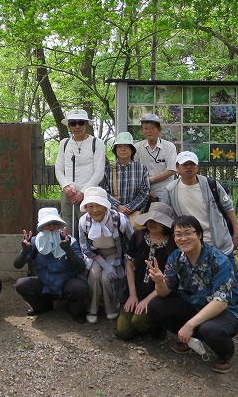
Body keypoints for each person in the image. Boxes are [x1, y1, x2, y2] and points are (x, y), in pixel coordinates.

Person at [161, 151, 238, 328]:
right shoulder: (170, 190)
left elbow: (228, 208)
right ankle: (209, 311)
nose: (189, 167)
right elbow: (168, 215)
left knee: (233, 276)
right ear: (177, 168)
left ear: (198, 166)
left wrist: (235, 234)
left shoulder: (211, 184)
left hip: (218, 239)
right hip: (190, 241)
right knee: (197, 279)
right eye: (184, 164)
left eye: (192, 164)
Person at [147, 216, 238, 374]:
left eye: (188, 233)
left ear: (199, 234)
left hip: (228, 310)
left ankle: (225, 354)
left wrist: (189, 325)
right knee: (155, 305)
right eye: (178, 234)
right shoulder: (176, 257)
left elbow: (220, 303)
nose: (183, 238)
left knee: (210, 330)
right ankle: (190, 340)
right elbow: (164, 292)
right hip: (196, 304)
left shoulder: (218, 260)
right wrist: (159, 281)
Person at [13, 207, 88, 323]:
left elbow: (82, 267)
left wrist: (68, 250)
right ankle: (43, 306)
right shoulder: (34, 242)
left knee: (80, 287)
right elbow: (17, 265)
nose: (52, 228)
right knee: (21, 284)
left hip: (66, 285)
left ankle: (73, 308)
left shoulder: (70, 241)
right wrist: (25, 251)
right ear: (41, 227)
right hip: (44, 285)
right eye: (47, 224)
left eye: (55, 224)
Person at [115, 202, 176, 340]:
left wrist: (147, 300)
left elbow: (170, 279)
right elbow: (130, 266)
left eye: (157, 221)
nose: (152, 223)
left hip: (158, 294)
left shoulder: (173, 244)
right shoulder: (138, 236)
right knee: (122, 331)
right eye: (150, 220)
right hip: (136, 289)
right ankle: (143, 324)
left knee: (139, 321)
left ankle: (156, 325)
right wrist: (132, 295)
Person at [78, 187, 134, 323]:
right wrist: (102, 263)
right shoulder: (84, 222)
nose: (95, 210)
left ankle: (112, 307)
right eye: (90, 206)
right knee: (94, 274)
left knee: (106, 278)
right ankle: (92, 308)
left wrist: (130, 262)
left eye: (98, 205)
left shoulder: (119, 219)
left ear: (105, 206)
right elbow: (85, 247)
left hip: (115, 252)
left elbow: (131, 241)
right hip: (94, 254)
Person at [55, 109, 107, 237]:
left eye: (81, 123)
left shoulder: (97, 143)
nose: (77, 126)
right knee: (66, 229)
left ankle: (89, 257)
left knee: (89, 230)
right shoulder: (64, 144)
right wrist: (66, 187)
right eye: (73, 123)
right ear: (69, 126)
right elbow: (58, 168)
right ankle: (69, 255)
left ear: (87, 124)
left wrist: (83, 193)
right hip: (68, 194)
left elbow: (99, 171)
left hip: (89, 195)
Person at [133, 113, 177, 208]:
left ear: (159, 130)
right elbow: (135, 172)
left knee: (165, 219)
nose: (148, 131)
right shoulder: (137, 148)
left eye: (152, 128)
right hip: (143, 193)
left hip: (166, 191)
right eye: (145, 128)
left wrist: (151, 180)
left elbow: (171, 170)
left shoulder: (169, 147)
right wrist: (146, 190)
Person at [101, 132, 149, 216]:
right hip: (113, 214)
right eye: (119, 146)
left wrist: (129, 208)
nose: (123, 149)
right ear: (115, 150)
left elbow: (145, 192)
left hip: (135, 215)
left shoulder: (141, 168)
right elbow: (103, 192)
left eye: (126, 146)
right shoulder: (108, 170)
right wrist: (117, 206)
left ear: (132, 149)